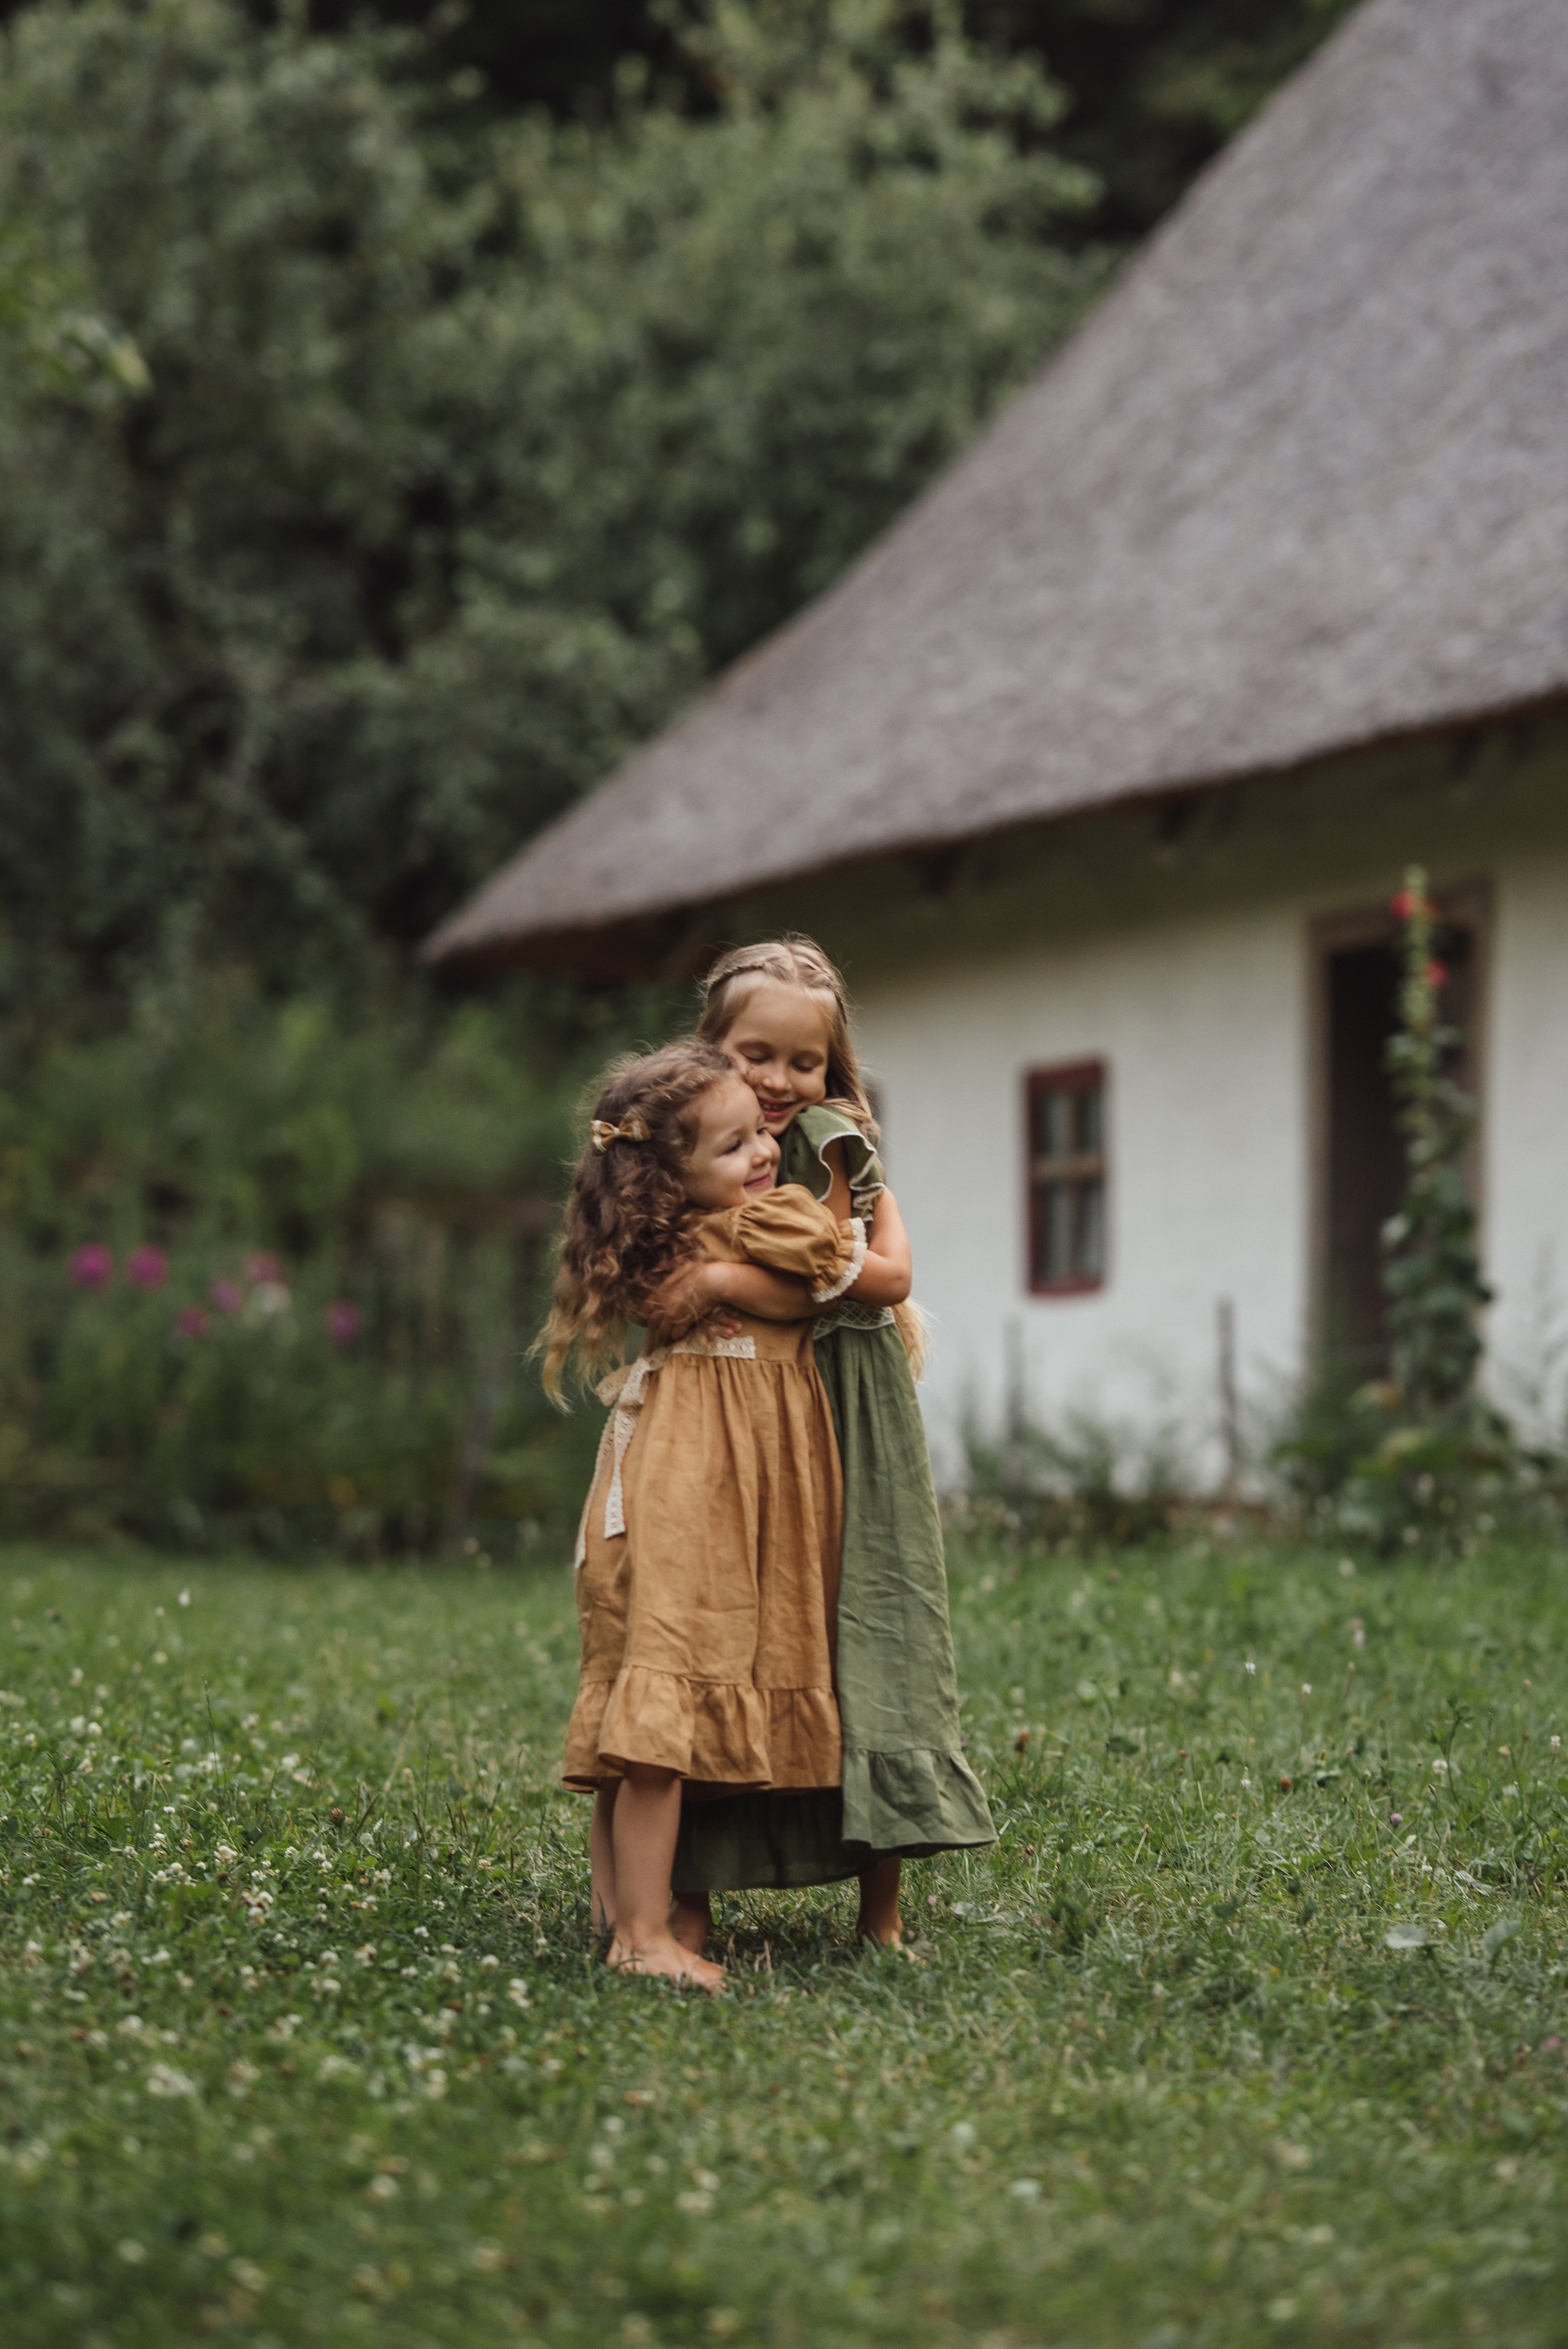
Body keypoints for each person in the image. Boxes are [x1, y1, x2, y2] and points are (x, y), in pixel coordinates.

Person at [539, 1038, 898, 1989]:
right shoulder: (743, 1228)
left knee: (640, 1699)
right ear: (674, 1179)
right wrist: (844, 1158)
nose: (763, 1154)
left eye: (760, 1137)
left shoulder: (677, 1241)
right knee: (662, 1705)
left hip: (660, 1473)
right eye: (735, 1145)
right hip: (699, 1482)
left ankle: (617, 1913)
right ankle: (645, 1936)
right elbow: (833, 1264)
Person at [659, 937, 995, 1949]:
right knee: (732, 1625)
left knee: (874, 1620)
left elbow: (887, 1275)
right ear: (708, 1048)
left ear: (832, 1070)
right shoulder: (691, 1154)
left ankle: (880, 1914)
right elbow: (656, 1280)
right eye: (756, 1052)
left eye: (804, 1062)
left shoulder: (839, 1143)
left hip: (855, 1403)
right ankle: (689, 1895)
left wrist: (730, 1281)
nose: (778, 1082)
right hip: (740, 1413)